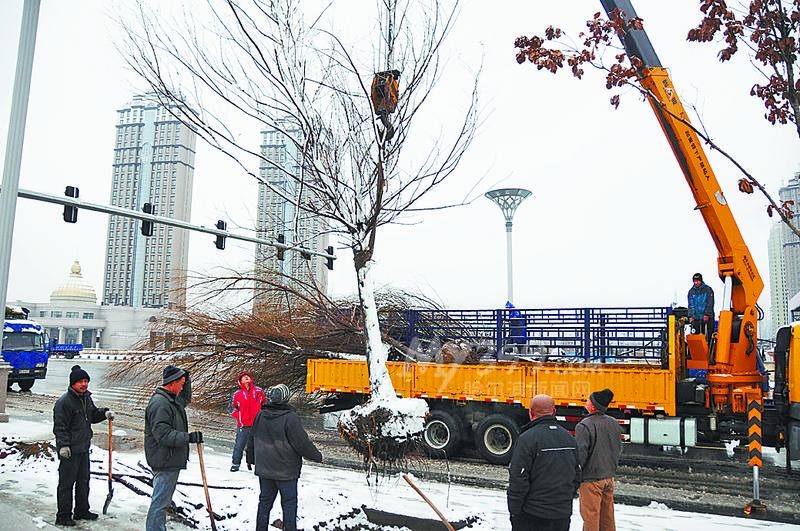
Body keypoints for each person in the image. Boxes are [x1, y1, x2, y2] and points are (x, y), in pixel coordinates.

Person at [248, 383, 323, 531]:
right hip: (286, 471)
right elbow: (301, 444)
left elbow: (252, 438)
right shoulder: (290, 418)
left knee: (264, 503)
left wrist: (250, 457)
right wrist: (318, 456)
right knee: (289, 504)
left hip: (265, 469)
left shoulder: (260, 414)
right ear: (286, 398)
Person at [507, 394, 580, 531]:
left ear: (531, 413)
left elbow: (518, 479)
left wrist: (515, 511)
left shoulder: (526, 440)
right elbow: (576, 474)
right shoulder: (569, 438)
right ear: (554, 412)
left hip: (533, 515)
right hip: (561, 514)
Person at [53, 365, 113, 527]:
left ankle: (81, 510)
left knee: (83, 481)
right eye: (80, 381)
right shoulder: (64, 402)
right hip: (70, 451)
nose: (84, 384)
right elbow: (60, 427)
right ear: (73, 383)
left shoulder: (86, 398)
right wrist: (63, 446)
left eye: (86, 381)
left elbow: (92, 415)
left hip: (83, 448)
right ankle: (63, 515)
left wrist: (104, 413)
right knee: (66, 484)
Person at [144, 365, 203, 531]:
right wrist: (188, 438)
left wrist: (187, 378)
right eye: (181, 383)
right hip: (164, 459)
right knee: (160, 503)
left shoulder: (171, 399)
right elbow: (162, 435)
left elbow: (185, 398)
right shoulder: (161, 404)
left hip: (168, 458)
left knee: (162, 501)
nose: (183, 387)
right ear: (172, 382)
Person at [575, 388, 623, 531]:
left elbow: (580, 456)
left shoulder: (584, 425)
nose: (586, 401)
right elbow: (618, 448)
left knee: (591, 517)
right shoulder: (613, 422)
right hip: (608, 476)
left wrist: (575, 475)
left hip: (591, 479)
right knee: (607, 517)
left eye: (589, 400)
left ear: (593, 406)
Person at [228, 370, 266, 472]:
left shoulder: (258, 391)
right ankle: (235, 464)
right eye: (243, 377)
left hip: (257, 424)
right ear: (240, 381)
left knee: (259, 446)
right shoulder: (237, 394)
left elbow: (265, 405)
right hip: (243, 425)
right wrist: (239, 416)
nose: (246, 378)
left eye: (247, 376)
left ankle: (258, 465)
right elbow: (231, 409)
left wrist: (262, 416)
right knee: (239, 445)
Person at [687, 272, 715, 344]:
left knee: (708, 337)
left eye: (697, 281)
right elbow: (690, 305)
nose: (696, 283)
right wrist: (691, 316)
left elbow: (710, 303)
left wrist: (707, 314)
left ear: (701, 281)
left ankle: (709, 352)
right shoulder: (691, 292)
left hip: (707, 319)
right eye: (694, 281)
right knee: (696, 338)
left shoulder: (708, 290)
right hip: (696, 319)